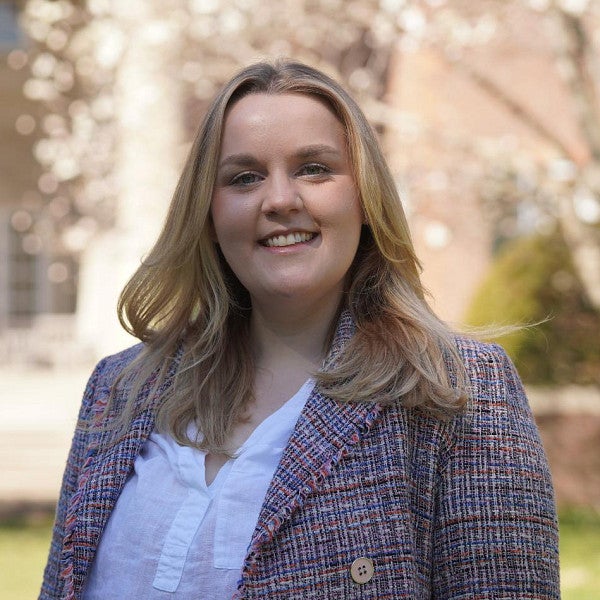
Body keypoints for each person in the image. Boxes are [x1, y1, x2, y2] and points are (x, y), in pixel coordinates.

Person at [40, 60, 560, 599]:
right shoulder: (120, 389)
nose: (281, 200)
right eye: (244, 177)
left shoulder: (458, 390)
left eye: (314, 168)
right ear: (209, 214)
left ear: (364, 198)